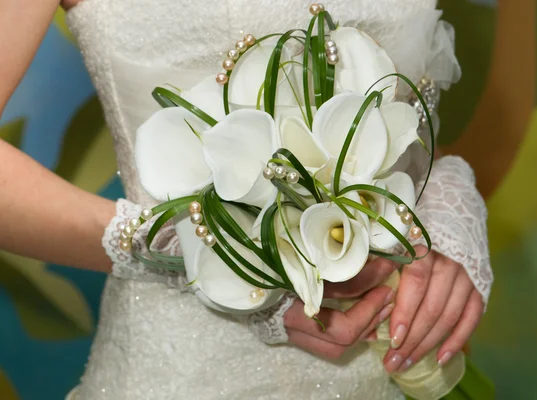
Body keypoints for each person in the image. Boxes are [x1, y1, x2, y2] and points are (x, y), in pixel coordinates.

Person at [0, 0, 492, 398]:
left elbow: (390, 110)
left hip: (385, 361)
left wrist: (446, 202)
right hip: (186, 372)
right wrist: (179, 248)